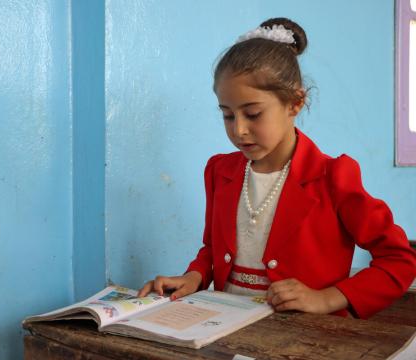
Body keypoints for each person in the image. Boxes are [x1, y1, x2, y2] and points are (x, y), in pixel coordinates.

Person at [138, 17, 416, 319]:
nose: (239, 130)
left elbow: (399, 259)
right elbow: (212, 250)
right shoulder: (220, 171)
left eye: (253, 114)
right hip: (225, 329)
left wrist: (328, 298)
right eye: (228, 116)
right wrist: (194, 277)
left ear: (295, 104)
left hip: (304, 341)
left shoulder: (333, 176)